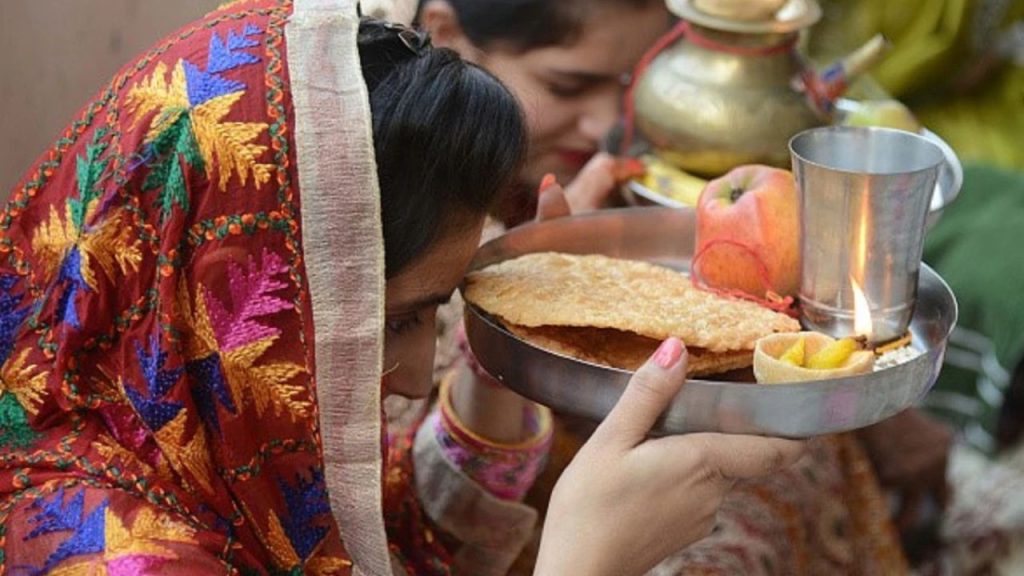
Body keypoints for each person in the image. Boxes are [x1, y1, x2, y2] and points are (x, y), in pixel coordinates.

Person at [0, 1, 804, 574]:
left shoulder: (225, 438)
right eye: (396, 322)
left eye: (434, 313)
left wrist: (503, 364)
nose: (418, 378)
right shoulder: (102, 550)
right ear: (227, 303)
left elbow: (400, 540)